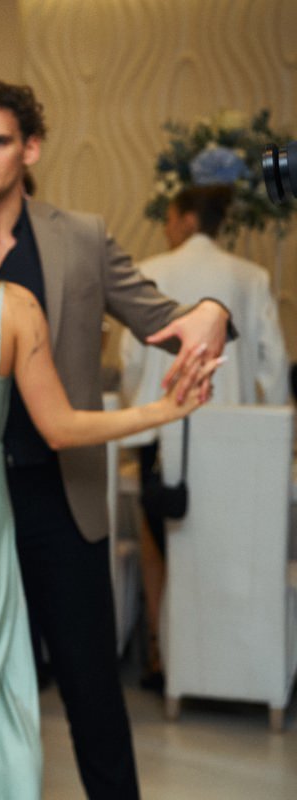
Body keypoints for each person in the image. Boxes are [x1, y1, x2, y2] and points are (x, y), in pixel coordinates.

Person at [0, 79, 231, 799]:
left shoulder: (78, 236)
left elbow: (160, 317)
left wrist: (213, 306)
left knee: (91, 690)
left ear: (29, 149)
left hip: (59, 497)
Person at [121, 184, 288, 688]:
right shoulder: (251, 276)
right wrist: (268, 427)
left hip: (161, 426)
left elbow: (132, 359)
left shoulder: (150, 271)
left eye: (170, 218)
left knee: (158, 541)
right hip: (234, 434)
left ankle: (160, 655)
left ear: (188, 220)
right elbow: (275, 365)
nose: (166, 227)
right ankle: (221, 659)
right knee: (223, 543)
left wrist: (136, 411)